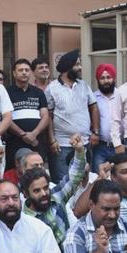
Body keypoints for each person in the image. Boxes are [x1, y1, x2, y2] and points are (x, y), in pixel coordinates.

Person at [44, 49, 99, 184]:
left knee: (85, 181)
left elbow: (94, 108)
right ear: (67, 67)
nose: (80, 68)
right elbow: (48, 116)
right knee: (62, 182)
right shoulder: (52, 88)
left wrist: (95, 132)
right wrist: (51, 140)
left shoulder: (84, 85)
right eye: (77, 64)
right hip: (61, 145)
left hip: (84, 142)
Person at [20, 134, 86, 245]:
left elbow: (74, 177)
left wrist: (79, 150)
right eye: (37, 190)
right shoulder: (23, 220)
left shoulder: (57, 197)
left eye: (45, 188)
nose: (43, 193)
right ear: (26, 194)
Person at [4, 58, 50, 170]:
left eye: (27, 70)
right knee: (15, 171)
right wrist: (22, 134)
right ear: (14, 73)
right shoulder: (6, 92)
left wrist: (34, 134)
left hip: (36, 142)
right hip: (15, 142)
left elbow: (45, 116)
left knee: (37, 172)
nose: (24, 72)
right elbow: (5, 118)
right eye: (20, 70)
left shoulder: (38, 92)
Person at [92, 63, 118, 172]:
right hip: (100, 147)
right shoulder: (93, 98)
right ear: (98, 80)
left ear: (114, 78)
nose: (106, 81)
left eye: (109, 77)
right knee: (99, 178)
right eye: (102, 78)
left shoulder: (121, 95)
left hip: (120, 146)